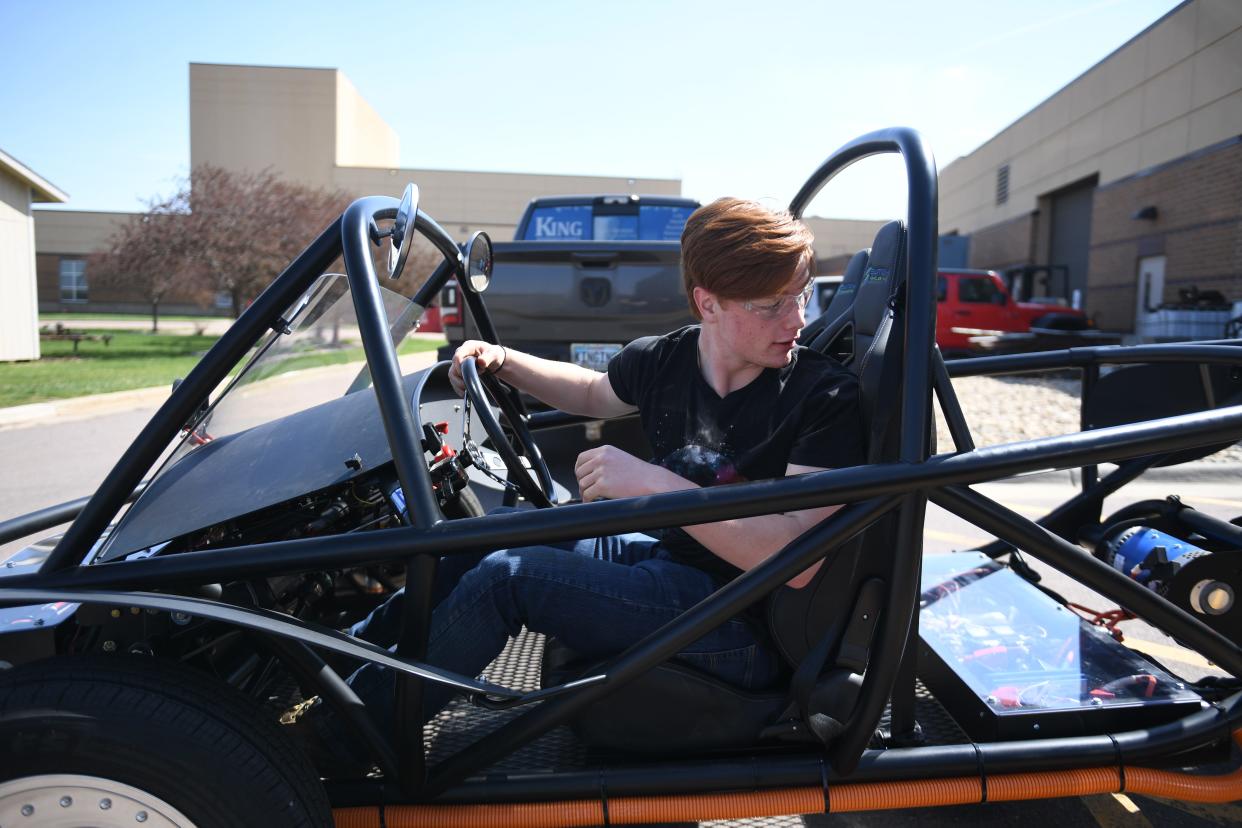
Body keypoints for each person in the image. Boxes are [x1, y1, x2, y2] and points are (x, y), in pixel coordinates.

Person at [342, 197, 866, 734]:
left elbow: (799, 559)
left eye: (800, 295)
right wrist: (505, 360)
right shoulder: (670, 359)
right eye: (771, 304)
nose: (798, 318)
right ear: (708, 304)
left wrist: (655, 485)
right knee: (488, 534)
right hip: (674, 569)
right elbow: (594, 391)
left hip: (744, 622)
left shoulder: (824, 397)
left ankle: (345, 736)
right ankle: (340, 658)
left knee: (510, 580)